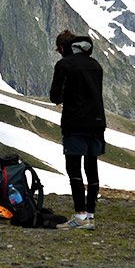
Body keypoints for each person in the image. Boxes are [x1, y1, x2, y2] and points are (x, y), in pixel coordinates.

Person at [49, 29, 106, 230]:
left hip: (75, 122)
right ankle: (90, 216)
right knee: (92, 168)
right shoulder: (96, 65)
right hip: (97, 122)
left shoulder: (64, 65)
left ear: (63, 48)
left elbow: (55, 96)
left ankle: (79, 216)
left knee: (74, 167)